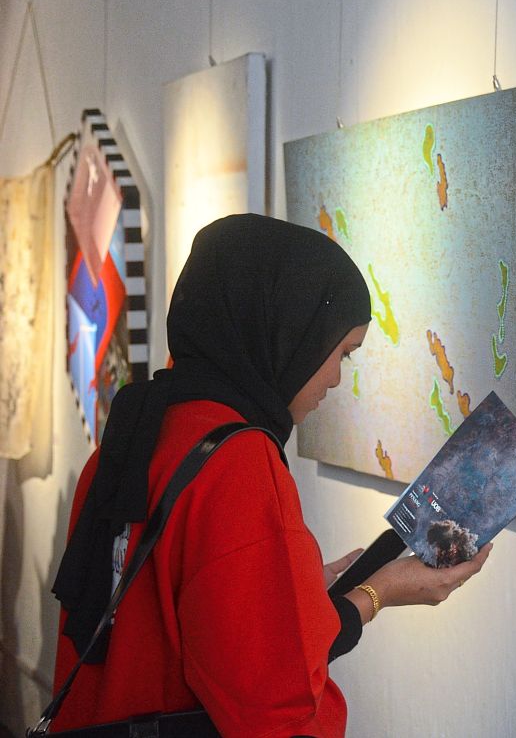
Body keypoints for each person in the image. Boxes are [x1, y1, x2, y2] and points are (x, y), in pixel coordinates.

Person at [48, 214, 491, 737]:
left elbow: (183, 611)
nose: (335, 379)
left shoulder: (137, 430)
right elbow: (273, 704)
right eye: (341, 352)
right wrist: (381, 591)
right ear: (287, 333)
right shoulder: (238, 462)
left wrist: (293, 590)